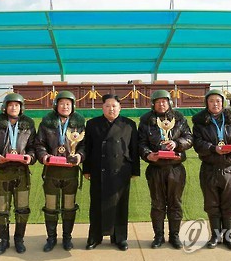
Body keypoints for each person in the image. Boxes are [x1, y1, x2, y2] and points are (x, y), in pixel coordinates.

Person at [191, 89, 231, 251]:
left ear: (223, 102)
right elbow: (197, 143)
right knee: (211, 204)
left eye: (218, 101)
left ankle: (229, 237)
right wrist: (213, 148)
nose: (215, 104)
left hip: (229, 168)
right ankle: (215, 236)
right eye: (211, 101)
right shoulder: (199, 122)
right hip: (209, 168)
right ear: (207, 103)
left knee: (229, 204)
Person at [83, 94, 140, 251]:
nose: (111, 109)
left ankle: (120, 238)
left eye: (114, 106)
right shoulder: (93, 124)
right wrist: (86, 169)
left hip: (121, 171)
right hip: (98, 170)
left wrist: (135, 170)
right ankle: (95, 237)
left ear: (120, 108)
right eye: (107, 106)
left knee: (121, 205)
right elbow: (88, 148)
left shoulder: (129, 124)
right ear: (102, 108)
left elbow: (134, 149)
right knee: (96, 205)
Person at [138, 90, 193, 249]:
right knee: (157, 204)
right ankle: (158, 236)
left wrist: (177, 144)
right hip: (155, 168)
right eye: (158, 101)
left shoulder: (180, 118)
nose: (161, 104)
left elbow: (189, 137)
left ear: (169, 102)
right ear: (153, 104)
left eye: (164, 101)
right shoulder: (146, 120)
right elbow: (140, 143)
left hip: (175, 168)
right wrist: (148, 155)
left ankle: (174, 236)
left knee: (175, 203)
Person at [0, 93, 37, 255]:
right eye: (11, 105)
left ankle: (19, 240)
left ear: (21, 108)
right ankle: (4, 240)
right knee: (1, 209)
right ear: (5, 107)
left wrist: (30, 157)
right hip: (2, 172)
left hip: (22, 173)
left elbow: (34, 147)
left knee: (22, 208)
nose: (14, 108)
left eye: (17, 105)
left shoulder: (28, 125)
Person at [35, 90, 86, 252]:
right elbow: (39, 144)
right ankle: (51, 238)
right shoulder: (46, 123)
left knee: (69, 206)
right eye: (62, 103)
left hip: (71, 172)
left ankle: (67, 238)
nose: (65, 106)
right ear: (56, 105)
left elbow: (85, 145)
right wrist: (44, 156)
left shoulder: (79, 124)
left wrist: (79, 156)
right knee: (50, 206)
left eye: (68, 104)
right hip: (51, 172)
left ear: (73, 106)